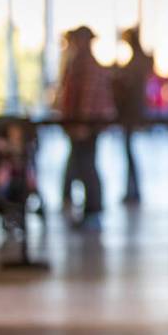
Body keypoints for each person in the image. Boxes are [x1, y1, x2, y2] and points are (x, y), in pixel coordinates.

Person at [54, 26, 115, 230]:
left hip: (87, 125)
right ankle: (84, 208)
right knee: (81, 164)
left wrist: (81, 124)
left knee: (87, 167)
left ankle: (93, 211)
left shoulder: (86, 65)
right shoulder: (77, 63)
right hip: (80, 124)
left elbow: (87, 99)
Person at [113, 28, 153, 205]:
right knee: (128, 153)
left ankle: (133, 190)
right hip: (132, 113)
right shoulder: (139, 61)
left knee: (129, 153)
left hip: (131, 113)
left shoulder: (136, 62)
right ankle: (132, 190)